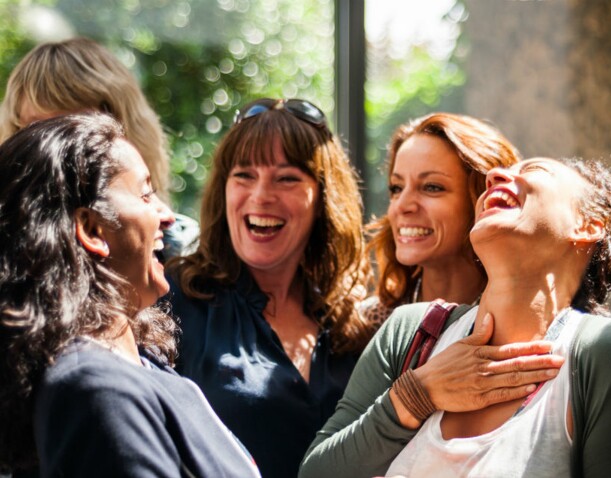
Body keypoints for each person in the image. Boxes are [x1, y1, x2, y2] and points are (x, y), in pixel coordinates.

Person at [302, 157, 611, 477]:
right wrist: (417, 395)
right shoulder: (409, 331)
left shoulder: (609, 353)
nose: (495, 176)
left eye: (534, 170)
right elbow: (315, 472)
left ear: (588, 225)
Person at [0, 113, 259, 477]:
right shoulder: (96, 389)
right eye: (145, 194)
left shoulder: (141, 364)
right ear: (92, 229)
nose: (167, 216)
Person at [165, 97, 371, 477]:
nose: (261, 196)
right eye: (244, 175)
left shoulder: (353, 322)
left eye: (287, 178)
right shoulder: (175, 303)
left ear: (323, 197)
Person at [0, 37, 197, 259]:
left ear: (126, 136)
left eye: (78, 130)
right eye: (40, 132)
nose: (59, 148)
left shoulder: (184, 256)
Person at [360, 112, 522, 326]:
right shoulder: (368, 323)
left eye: (432, 187)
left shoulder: (521, 325)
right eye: (396, 188)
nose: (402, 206)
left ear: (485, 199)